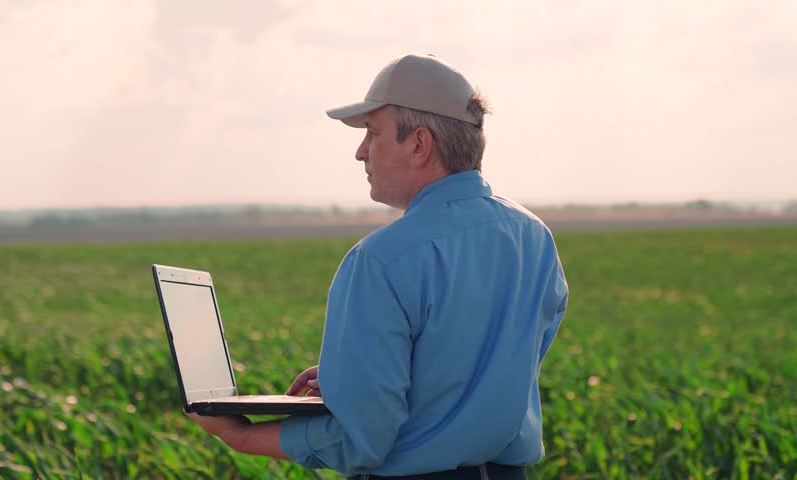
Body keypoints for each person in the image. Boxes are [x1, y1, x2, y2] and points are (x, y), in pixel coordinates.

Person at [186, 53, 569, 479]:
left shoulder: (380, 260)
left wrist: (241, 437)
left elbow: (361, 439)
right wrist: (364, 374)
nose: (360, 152)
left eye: (372, 134)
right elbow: (489, 368)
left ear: (420, 145)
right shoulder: (534, 237)